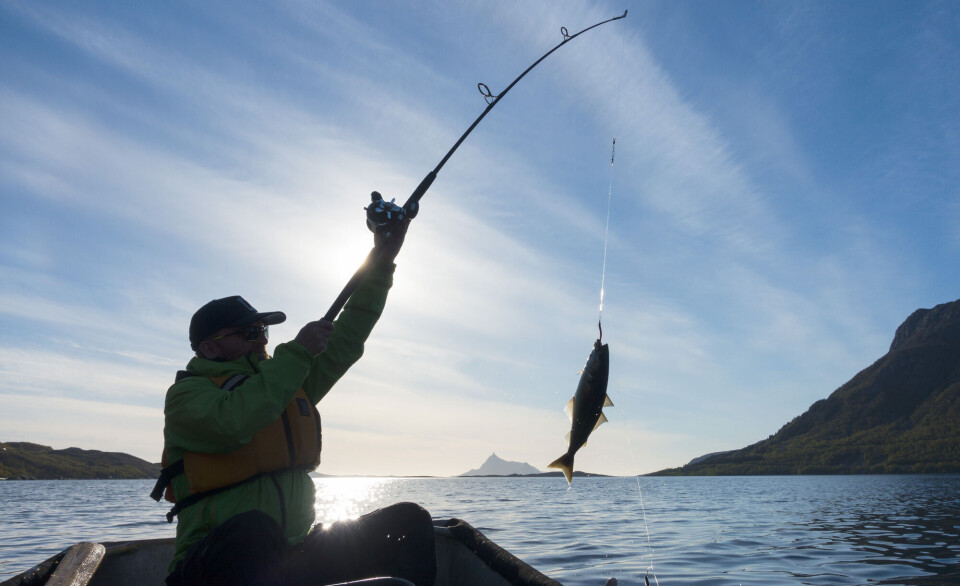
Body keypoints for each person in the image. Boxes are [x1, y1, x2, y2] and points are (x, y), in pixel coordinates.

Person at [152, 220, 436, 586]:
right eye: (250, 333)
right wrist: (297, 353)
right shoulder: (187, 396)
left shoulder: (286, 377)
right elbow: (235, 422)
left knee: (408, 519)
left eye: (264, 331)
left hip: (289, 558)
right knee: (254, 530)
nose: (261, 340)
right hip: (213, 564)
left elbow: (347, 337)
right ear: (209, 347)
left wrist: (382, 262)